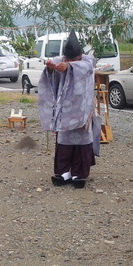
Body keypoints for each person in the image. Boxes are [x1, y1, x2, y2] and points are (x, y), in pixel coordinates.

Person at [37, 30, 101, 189]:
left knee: (82, 142)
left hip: (82, 110)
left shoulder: (88, 61)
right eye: (67, 58)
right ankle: (63, 172)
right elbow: (53, 69)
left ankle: (79, 174)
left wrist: (68, 66)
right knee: (64, 141)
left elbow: (82, 67)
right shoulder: (60, 60)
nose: (69, 61)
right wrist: (51, 69)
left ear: (81, 54)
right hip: (65, 110)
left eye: (73, 59)